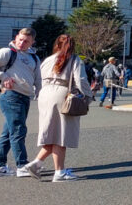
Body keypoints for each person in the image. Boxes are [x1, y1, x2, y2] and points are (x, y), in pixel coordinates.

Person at [20, 34, 92, 182]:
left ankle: (36, 164)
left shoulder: (47, 60)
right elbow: (81, 80)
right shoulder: (74, 59)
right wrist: (87, 96)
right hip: (61, 93)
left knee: (52, 132)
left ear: (56, 44)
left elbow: (37, 77)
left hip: (44, 93)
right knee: (61, 135)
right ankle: (59, 172)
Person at [0, 27, 41, 178]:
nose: (22, 43)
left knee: (8, 133)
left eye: (26, 41)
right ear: (16, 37)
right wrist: (3, 76)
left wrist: (39, 92)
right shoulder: (7, 52)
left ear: (32, 42)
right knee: (18, 131)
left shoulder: (34, 57)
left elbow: (38, 78)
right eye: (20, 39)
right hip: (11, 95)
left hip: (24, 97)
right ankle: (22, 165)